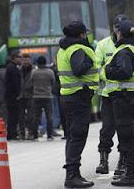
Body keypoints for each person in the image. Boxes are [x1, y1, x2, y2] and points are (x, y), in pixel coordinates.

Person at [95, 14, 134, 177]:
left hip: (127, 94)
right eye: (116, 27)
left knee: (128, 132)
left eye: (120, 29)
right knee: (108, 128)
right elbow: (97, 67)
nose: (117, 31)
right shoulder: (103, 45)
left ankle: (124, 162)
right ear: (113, 28)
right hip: (108, 93)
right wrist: (106, 74)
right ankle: (103, 158)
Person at [57, 21, 98, 188]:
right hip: (78, 96)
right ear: (81, 34)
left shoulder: (64, 49)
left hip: (69, 97)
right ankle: (72, 176)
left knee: (73, 136)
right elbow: (79, 69)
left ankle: (73, 173)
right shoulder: (77, 49)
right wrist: (89, 62)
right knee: (78, 136)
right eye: (84, 33)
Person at [29, 56, 56, 140]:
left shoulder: (34, 72)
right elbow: (53, 82)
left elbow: (31, 82)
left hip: (36, 96)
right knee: (49, 116)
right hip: (48, 96)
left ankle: (35, 135)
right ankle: (50, 135)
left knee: (36, 116)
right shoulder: (50, 72)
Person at [4, 52, 22, 140]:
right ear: (14, 58)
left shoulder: (11, 67)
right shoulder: (12, 68)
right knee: (13, 116)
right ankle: (12, 133)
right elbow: (15, 83)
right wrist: (18, 94)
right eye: (19, 57)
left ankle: (12, 133)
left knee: (12, 116)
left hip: (11, 96)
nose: (21, 59)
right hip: (12, 97)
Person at [18, 54, 33, 140]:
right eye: (24, 60)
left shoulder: (33, 70)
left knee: (31, 115)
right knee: (21, 116)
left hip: (30, 95)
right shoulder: (19, 70)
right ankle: (22, 133)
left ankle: (30, 132)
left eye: (27, 60)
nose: (26, 62)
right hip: (20, 95)